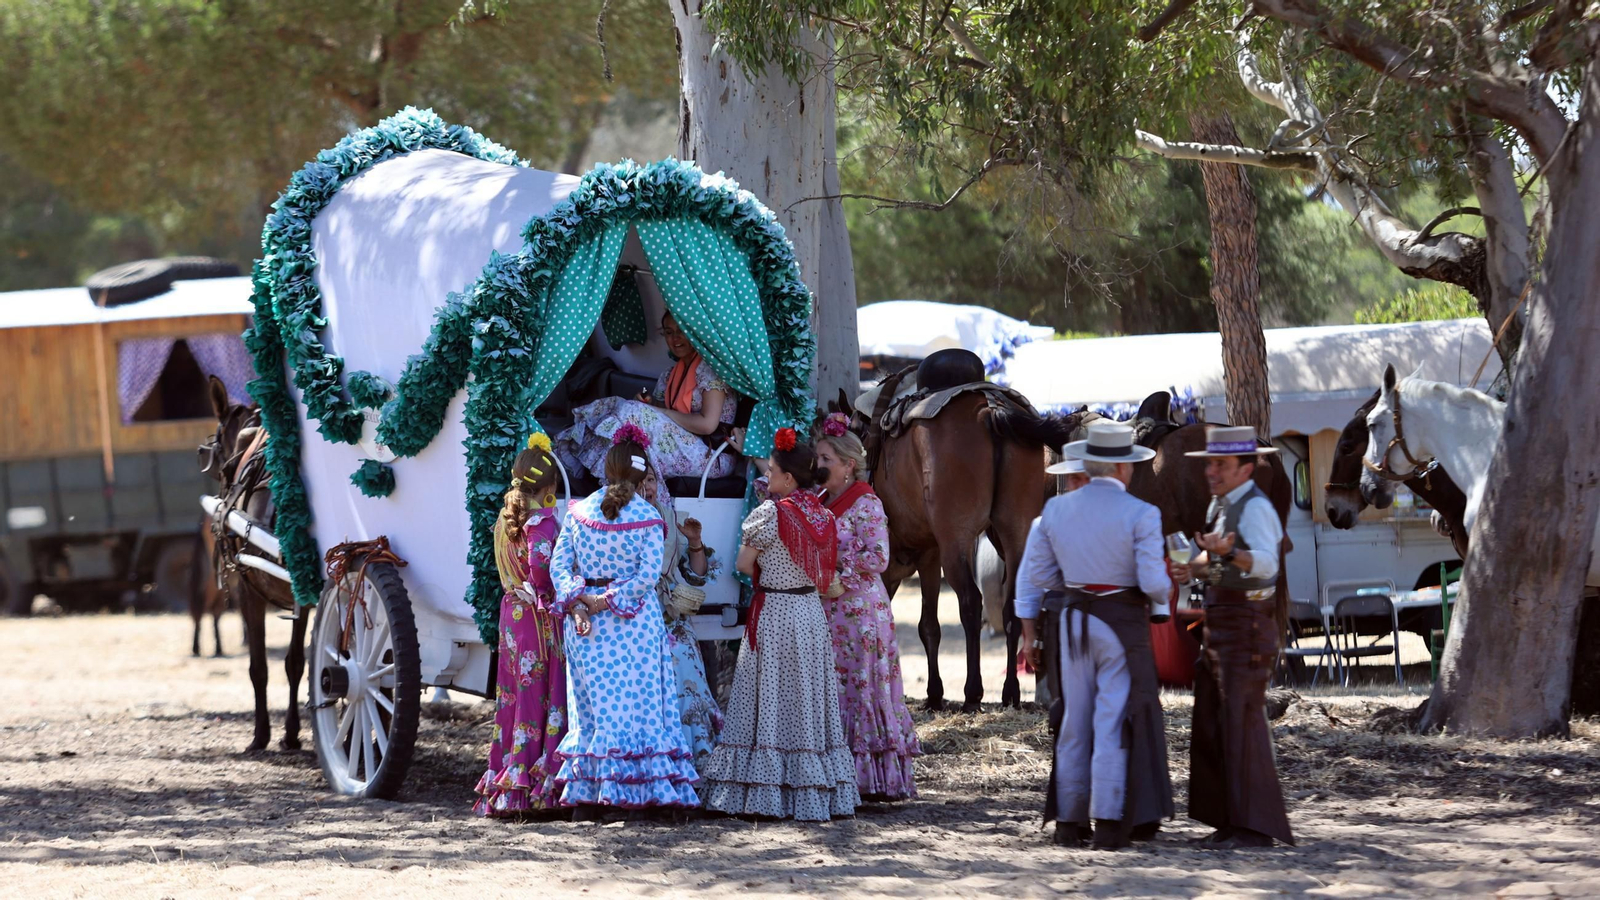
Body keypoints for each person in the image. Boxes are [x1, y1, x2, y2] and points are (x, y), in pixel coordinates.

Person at [1016, 422, 1175, 849]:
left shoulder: (1055, 511)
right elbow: (1153, 582)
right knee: (1110, 722)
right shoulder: (1142, 513)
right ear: (1124, 468)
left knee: (1073, 721)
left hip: (1070, 619)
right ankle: (1107, 820)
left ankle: (1070, 820)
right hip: (1119, 621)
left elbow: (1040, 575)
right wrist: (1155, 589)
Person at [700, 429, 859, 821]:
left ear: (788, 479)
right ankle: (809, 791)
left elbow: (741, 564)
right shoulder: (823, 514)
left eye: (772, 471)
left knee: (769, 694)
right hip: (809, 613)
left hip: (775, 612)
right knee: (804, 697)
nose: (767, 478)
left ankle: (768, 792)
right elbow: (824, 572)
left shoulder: (770, 513)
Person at [548, 432, 700, 816]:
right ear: (642, 475)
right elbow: (647, 578)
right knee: (641, 708)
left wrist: (579, 601)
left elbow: (559, 566)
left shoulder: (579, 512)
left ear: (606, 469)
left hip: (588, 628)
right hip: (633, 625)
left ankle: (591, 797)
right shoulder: (648, 517)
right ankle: (641, 796)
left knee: (593, 709)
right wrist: (607, 601)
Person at [1167, 425, 1294, 849]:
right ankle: (1231, 819)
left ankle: (1254, 827)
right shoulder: (1227, 505)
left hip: (1246, 628)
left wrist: (1225, 554)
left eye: (1220, 465)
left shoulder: (1254, 507)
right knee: (1219, 722)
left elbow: (1263, 565)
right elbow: (1218, 557)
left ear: (1244, 468)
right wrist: (1196, 567)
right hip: (1226, 627)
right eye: (1209, 464)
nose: (1211, 472)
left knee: (1241, 725)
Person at [814, 414, 921, 801]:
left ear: (848, 464)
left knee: (863, 687)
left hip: (859, 611)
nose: (820, 465)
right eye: (819, 458)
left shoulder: (866, 502)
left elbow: (878, 556)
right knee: (838, 689)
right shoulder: (821, 500)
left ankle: (873, 780)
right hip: (830, 611)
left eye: (827, 459)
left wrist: (840, 574)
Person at [474, 435, 568, 817]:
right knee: (541, 698)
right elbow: (542, 574)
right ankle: (538, 790)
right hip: (537, 618)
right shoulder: (542, 525)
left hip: (512, 613)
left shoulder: (505, 519)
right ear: (546, 490)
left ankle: (508, 782)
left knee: (513, 698)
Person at [554, 311, 739, 483]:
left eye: (681, 331)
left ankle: (606, 475)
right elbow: (658, 412)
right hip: (683, 445)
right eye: (669, 332)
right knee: (617, 403)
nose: (675, 338)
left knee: (633, 411)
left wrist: (657, 411)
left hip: (712, 455)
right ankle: (575, 455)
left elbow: (708, 424)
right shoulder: (669, 374)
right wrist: (649, 404)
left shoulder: (711, 372)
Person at [639, 463, 724, 774]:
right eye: (640, 480)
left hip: (672, 618)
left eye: (651, 479)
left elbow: (695, 575)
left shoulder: (666, 514)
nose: (647, 487)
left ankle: (693, 760)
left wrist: (695, 543)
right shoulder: (614, 519)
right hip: (634, 618)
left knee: (685, 671)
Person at [1015, 453, 1090, 726]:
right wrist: (1030, 633)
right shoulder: (1046, 522)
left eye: (1084, 478)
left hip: (1070, 613)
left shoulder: (1047, 520)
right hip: (1064, 615)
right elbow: (1029, 581)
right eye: (1074, 478)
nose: (1078, 484)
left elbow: (1033, 578)